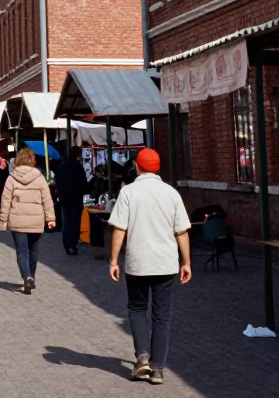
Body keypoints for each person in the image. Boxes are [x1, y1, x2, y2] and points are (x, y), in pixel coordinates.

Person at [108, 147, 192, 385]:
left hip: (137, 262)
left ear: (137, 166)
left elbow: (119, 230)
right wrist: (186, 262)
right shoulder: (171, 193)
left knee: (136, 309)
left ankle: (142, 356)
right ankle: (157, 368)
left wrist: (113, 260)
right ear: (157, 167)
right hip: (165, 263)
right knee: (161, 316)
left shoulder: (128, 192)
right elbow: (182, 231)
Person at [0, 148, 56, 293]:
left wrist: (3, 218)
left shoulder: (11, 177)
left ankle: (27, 277)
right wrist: (50, 218)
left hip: (17, 219)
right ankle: (31, 277)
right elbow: (47, 199)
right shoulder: (39, 177)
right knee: (34, 250)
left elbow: (5, 199)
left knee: (22, 251)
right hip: (36, 219)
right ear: (33, 160)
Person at [54, 146, 89, 255]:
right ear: (78, 154)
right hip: (75, 198)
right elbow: (83, 182)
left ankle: (66, 243)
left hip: (64, 198)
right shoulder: (78, 167)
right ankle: (72, 245)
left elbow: (57, 180)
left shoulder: (62, 165)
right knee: (74, 222)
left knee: (66, 222)